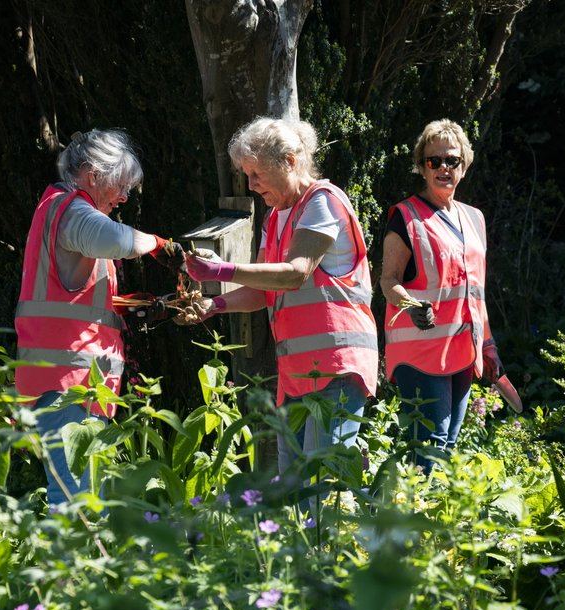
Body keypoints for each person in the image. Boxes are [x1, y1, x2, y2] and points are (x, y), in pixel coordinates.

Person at [178, 116, 378, 472]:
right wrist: (215, 304)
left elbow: (296, 273)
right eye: (246, 175)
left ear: (289, 161)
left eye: (256, 174)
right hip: (298, 374)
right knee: (294, 489)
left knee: (321, 485)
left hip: (336, 368)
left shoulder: (322, 201)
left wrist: (221, 270)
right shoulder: (275, 218)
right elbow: (262, 289)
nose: (252, 185)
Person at [15, 128, 184, 509]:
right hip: (65, 385)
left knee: (88, 500)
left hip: (76, 384)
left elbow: (74, 301)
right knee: (76, 501)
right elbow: (118, 240)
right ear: (93, 174)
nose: (124, 197)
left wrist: (130, 307)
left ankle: (81, 570)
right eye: (120, 185)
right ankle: (68, 571)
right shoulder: (70, 209)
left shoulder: (66, 214)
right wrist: (156, 244)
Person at [380, 119, 502, 468]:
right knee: (429, 448)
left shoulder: (474, 218)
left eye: (452, 161)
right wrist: (410, 304)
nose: (443, 168)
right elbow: (388, 280)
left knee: (446, 447)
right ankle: (411, 518)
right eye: (434, 161)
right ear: (422, 166)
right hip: (421, 352)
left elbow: (476, 293)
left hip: (463, 351)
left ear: (464, 166)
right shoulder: (405, 216)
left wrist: (489, 345)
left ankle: (424, 517)